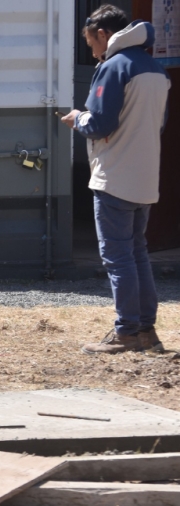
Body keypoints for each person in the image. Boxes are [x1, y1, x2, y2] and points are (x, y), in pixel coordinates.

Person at [60, 6, 171, 355]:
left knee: (118, 258)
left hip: (114, 176)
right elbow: (159, 123)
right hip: (145, 176)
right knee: (137, 253)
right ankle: (146, 332)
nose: (93, 52)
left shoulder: (113, 67)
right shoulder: (156, 68)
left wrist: (78, 118)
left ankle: (125, 331)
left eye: (91, 43)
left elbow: (101, 123)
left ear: (104, 34)